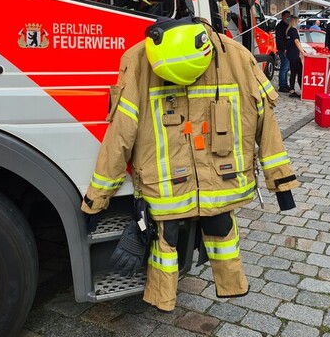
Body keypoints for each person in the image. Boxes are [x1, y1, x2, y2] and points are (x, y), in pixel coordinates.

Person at [81, 16, 298, 312]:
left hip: (217, 181)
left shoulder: (236, 57)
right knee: (166, 238)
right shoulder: (139, 61)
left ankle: (231, 285)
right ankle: (162, 298)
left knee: (219, 225)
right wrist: (98, 198)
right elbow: (120, 134)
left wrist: (282, 182)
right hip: (170, 186)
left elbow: (266, 122)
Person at [286, 15, 306, 98]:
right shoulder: (293, 30)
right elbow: (297, 41)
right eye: (298, 22)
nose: (299, 23)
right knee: (300, 72)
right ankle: (303, 90)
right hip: (294, 54)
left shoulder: (288, 30)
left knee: (293, 72)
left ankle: (292, 90)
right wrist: (302, 51)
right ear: (295, 21)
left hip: (290, 54)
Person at [275, 10, 291, 92]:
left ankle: (285, 84)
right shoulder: (280, 26)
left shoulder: (287, 25)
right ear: (283, 16)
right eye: (287, 16)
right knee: (284, 68)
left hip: (287, 49)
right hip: (283, 49)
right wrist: (283, 48)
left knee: (286, 68)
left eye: (289, 16)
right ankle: (282, 85)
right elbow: (279, 39)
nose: (288, 18)